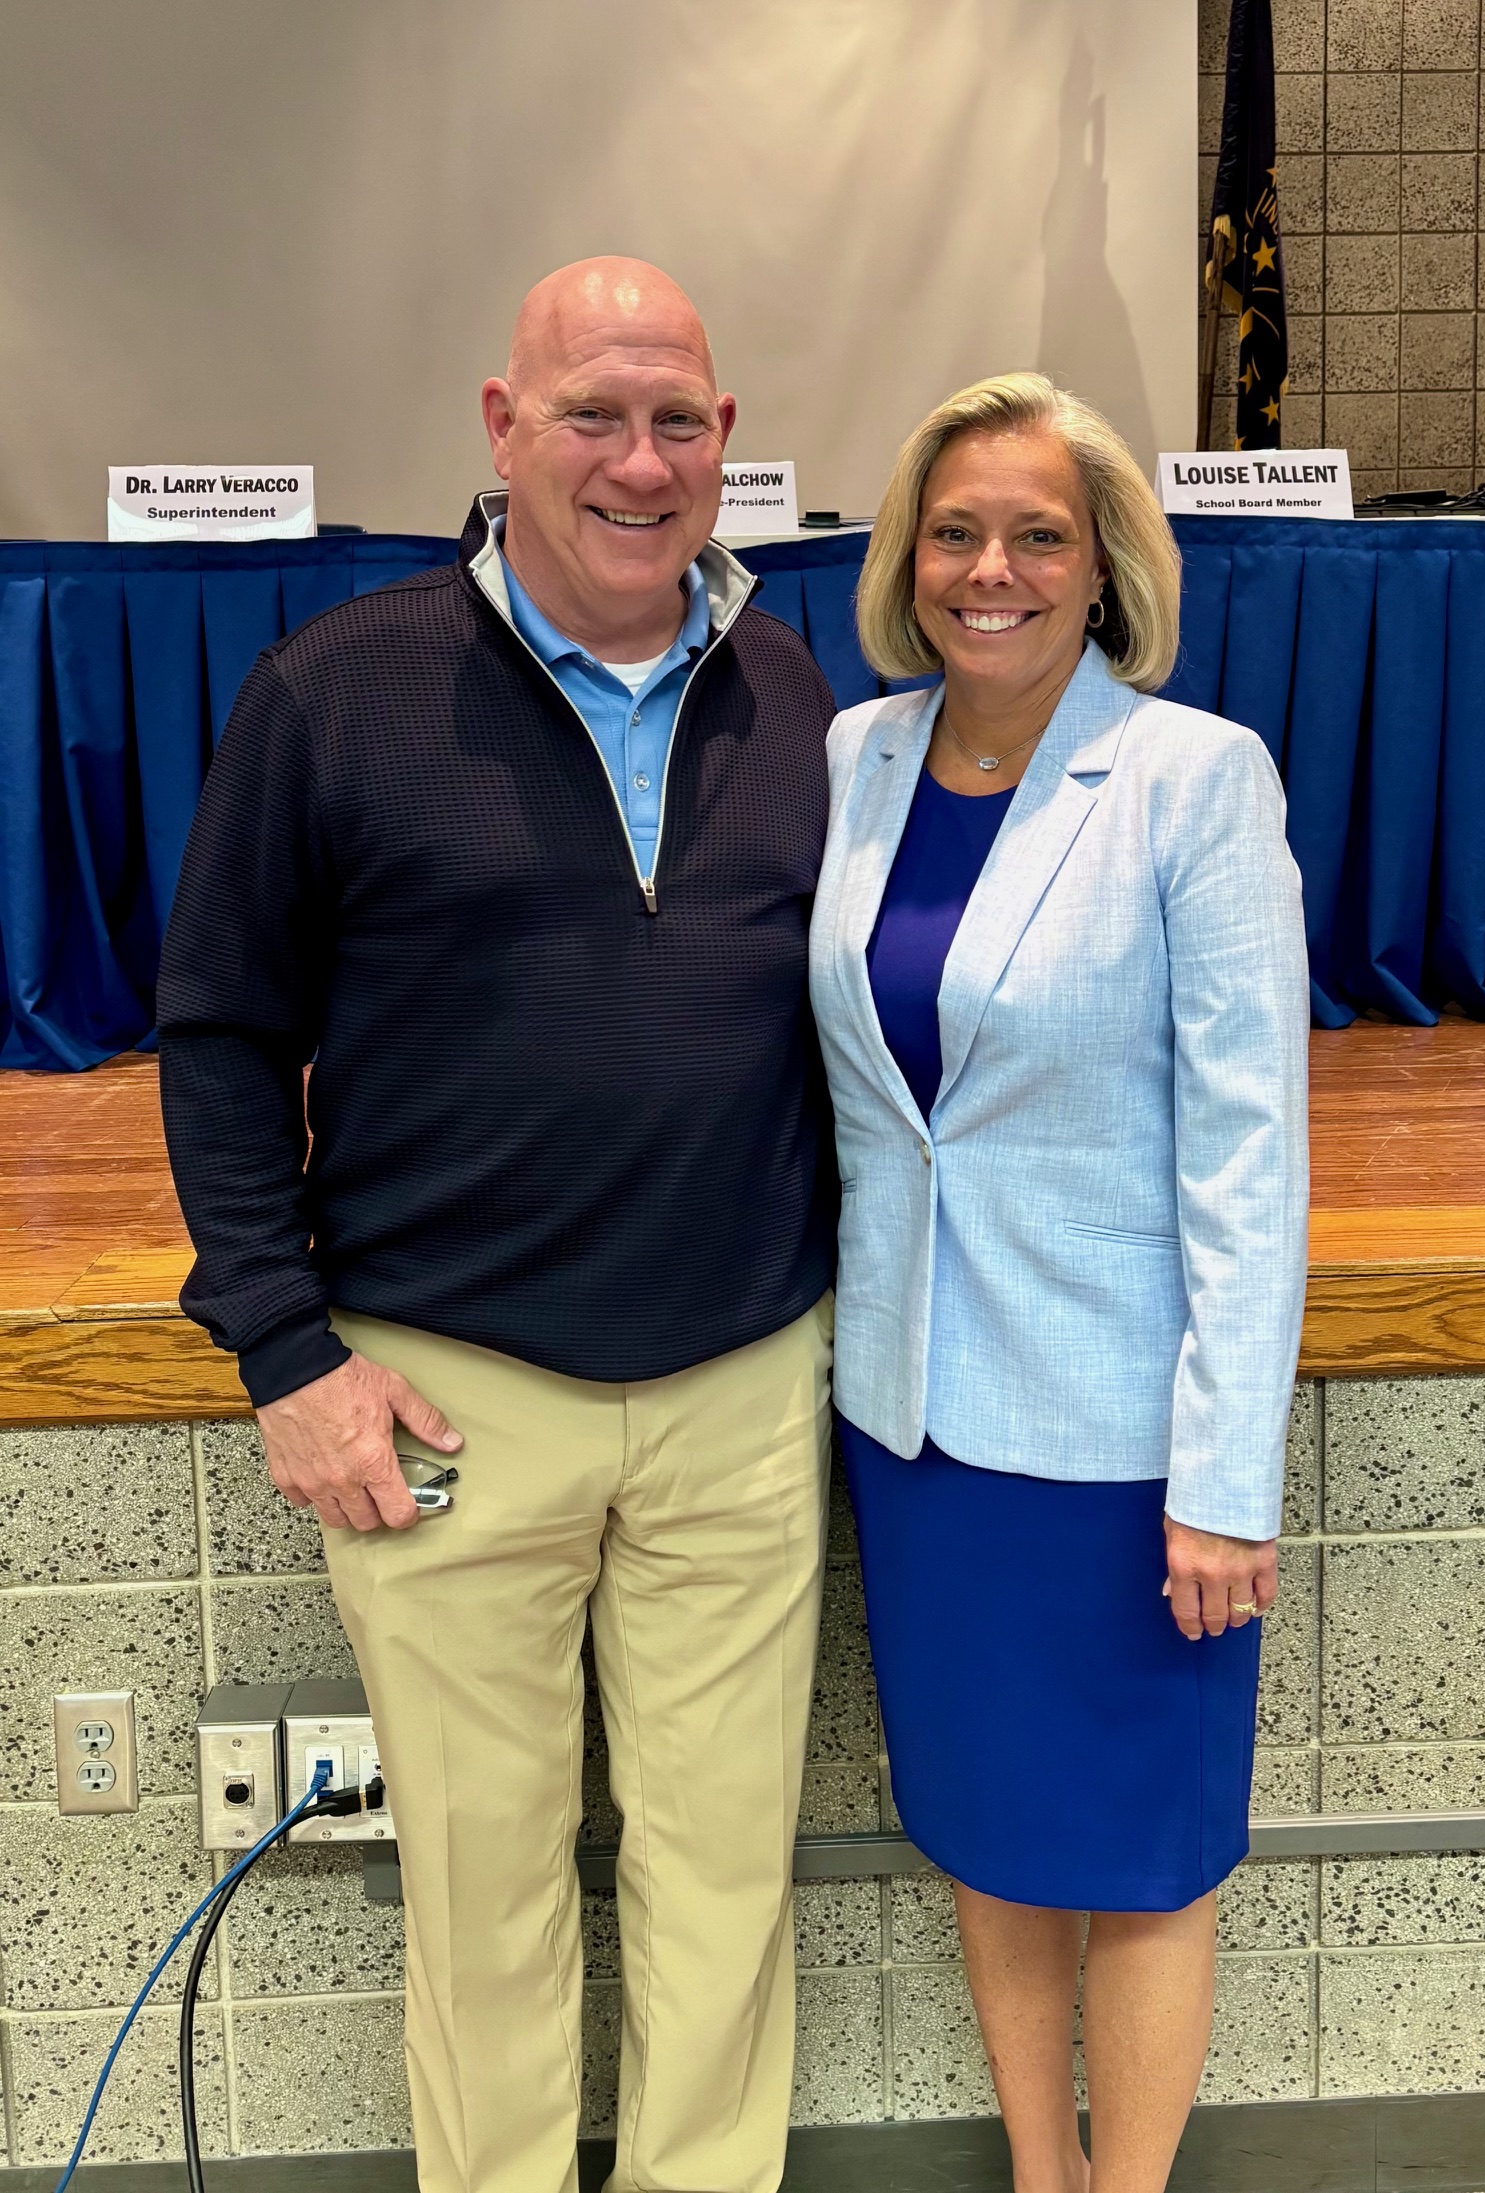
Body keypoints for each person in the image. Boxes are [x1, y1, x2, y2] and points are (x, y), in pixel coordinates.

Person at [157, 258, 840, 2193]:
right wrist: (286, 1354)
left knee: (728, 1891)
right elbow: (216, 1037)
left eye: (680, 418)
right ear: (499, 427)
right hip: (449, 1406)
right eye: (594, 414)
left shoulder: (791, 691)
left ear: (726, 436)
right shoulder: (334, 691)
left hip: (738, 1391)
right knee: (485, 1904)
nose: (642, 461)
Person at [808, 372, 1308, 2193]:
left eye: (1037, 533)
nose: (991, 567)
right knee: (991, 1830)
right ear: (906, 558)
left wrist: (1226, 1480)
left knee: (1141, 1850)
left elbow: (1250, 1165)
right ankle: (1041, 2169)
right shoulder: (851, 761)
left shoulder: (1192, 779)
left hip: (1125, 1448)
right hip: (922, 1421)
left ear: (1103, 568)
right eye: (956, 531)